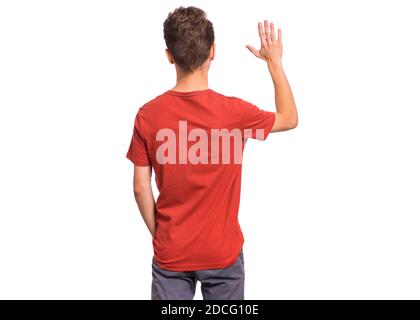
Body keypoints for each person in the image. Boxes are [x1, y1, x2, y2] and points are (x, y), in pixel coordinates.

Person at [126, 6, 298, 300]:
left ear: (169, 56)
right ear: (213, 51)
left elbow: (141, 187)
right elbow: (289, 118)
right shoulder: (235, 114)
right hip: (222, 253)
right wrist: (274, 64)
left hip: (172, 253)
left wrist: (161, 237)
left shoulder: (148, 115)